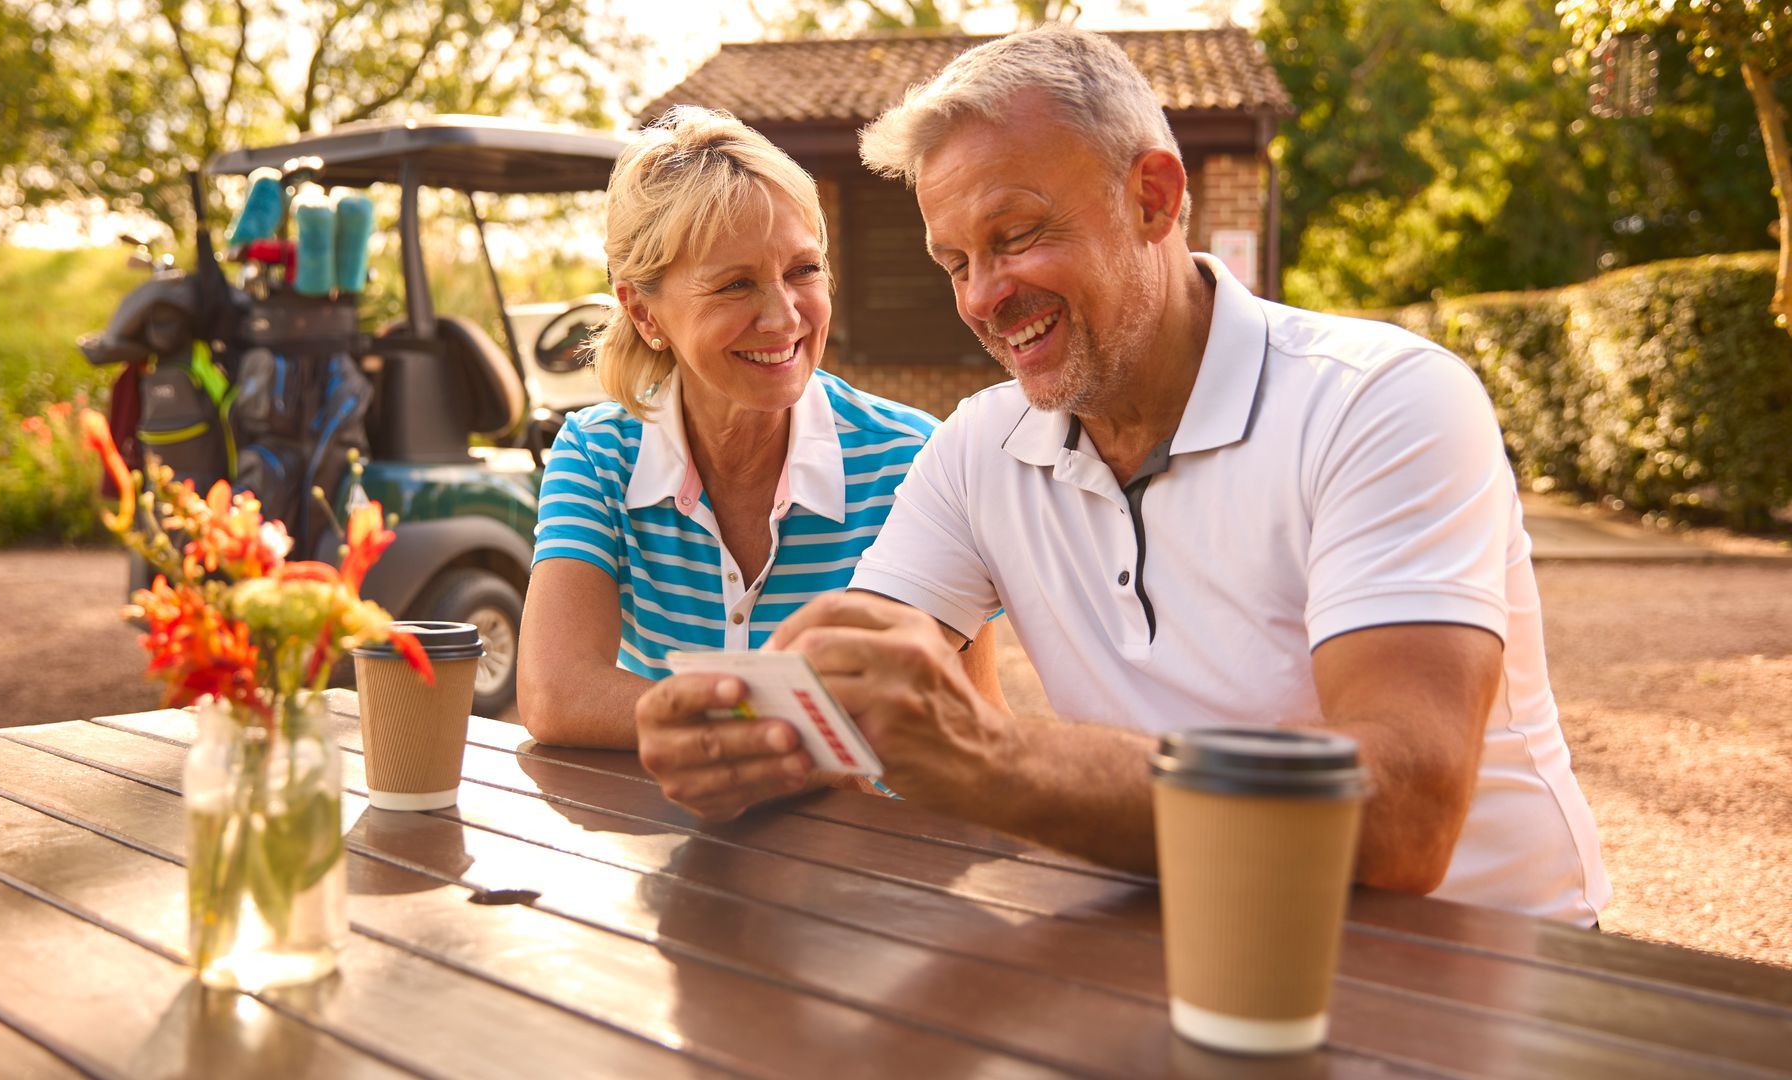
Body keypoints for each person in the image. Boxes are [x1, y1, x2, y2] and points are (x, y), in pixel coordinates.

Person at [632, 27, 1609, 925]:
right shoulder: (980, 447)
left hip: (1468, 972)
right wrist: (746, 729)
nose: (982, 295)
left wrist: (995, 759)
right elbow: (856, 659)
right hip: (1183, 940)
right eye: (953, 260)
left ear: (1153, 195)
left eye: (1014, 236)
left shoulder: (1382, 402)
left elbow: (1401, 819)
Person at [519, 107, 1004, 815]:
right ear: (645, 312)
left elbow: (968, 725)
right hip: (690, 860)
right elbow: (555, 692)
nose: (783, 317)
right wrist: (792, 736)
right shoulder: (598, 453)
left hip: (889, 864)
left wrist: (712, 729)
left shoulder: (914, 461)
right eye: (734, 284)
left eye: (803, 270)